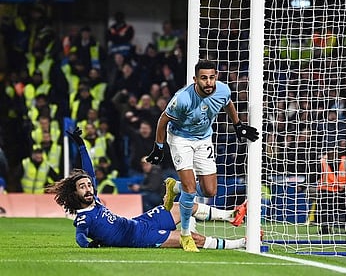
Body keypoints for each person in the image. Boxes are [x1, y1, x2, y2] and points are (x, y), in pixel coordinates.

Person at [46, 127, 247, 250]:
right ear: (75, 194)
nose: (89, 188)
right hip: (141, 237)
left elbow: (89, 170)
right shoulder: (83, 218)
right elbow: (80, 237)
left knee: (182, 206)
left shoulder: (94, 200)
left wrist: (81, 145)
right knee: (191, 238)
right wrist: (89, 244)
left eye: (89, 185)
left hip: (140, 222)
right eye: (83, 187)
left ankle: (231, 215)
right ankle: (239, 243)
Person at [146, 59, 259, 252]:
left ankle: (175, 187)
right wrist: (158, 147)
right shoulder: (182, 99)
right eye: (204, 78)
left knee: (209, 191)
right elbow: (163, 120)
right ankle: (185, 235)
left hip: (204, 139)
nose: (208, 82)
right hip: (181, 139)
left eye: (212, 78)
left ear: (216, 77)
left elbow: (228, 104)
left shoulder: (223, 90)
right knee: (190, 190)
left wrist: (238, 125)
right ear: (195, 79)